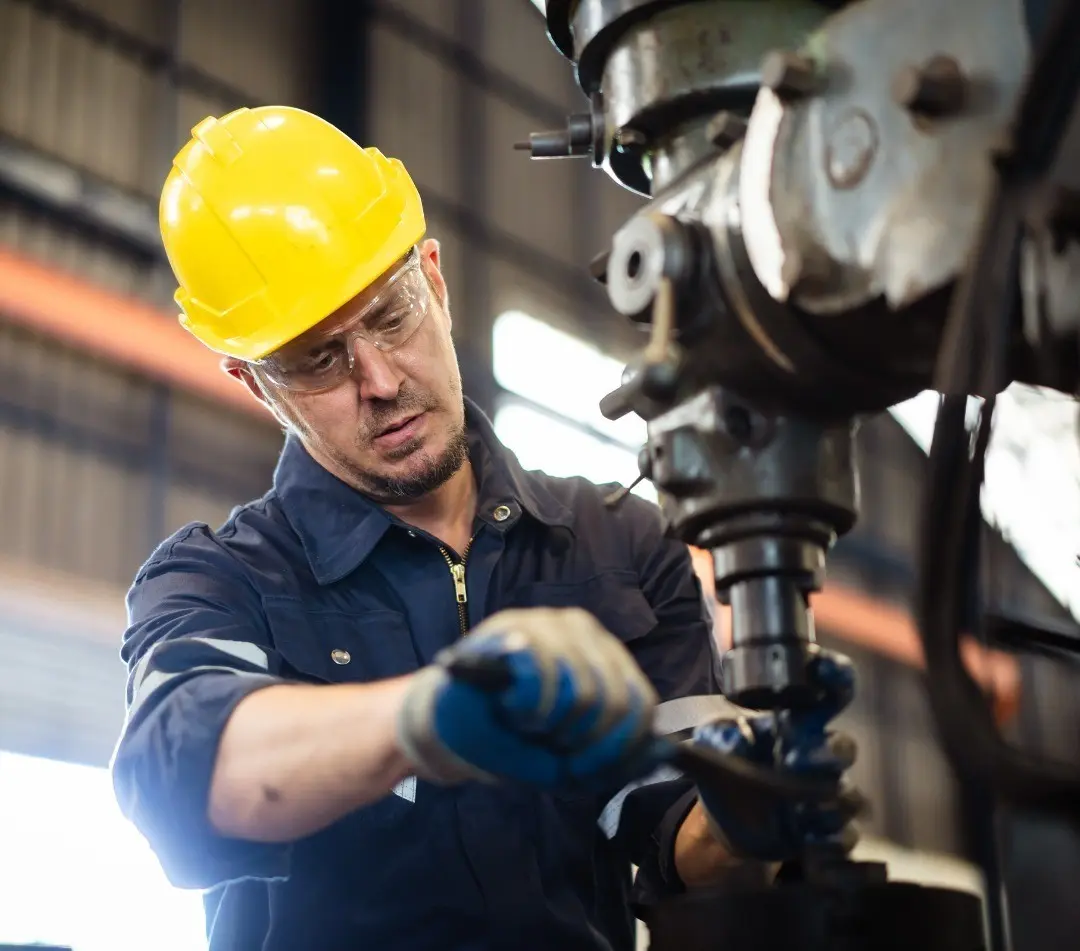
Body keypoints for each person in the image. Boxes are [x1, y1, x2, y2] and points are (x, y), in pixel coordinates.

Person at [111, 105, 851, 951]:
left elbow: (672, 831)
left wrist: (747, 810)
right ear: (255, 385)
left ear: (435, 277)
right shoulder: (220, 579)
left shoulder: (621, 544)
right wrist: (422, 719)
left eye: (391, 315)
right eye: (318, 360)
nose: (380, 379)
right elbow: (182, 772)